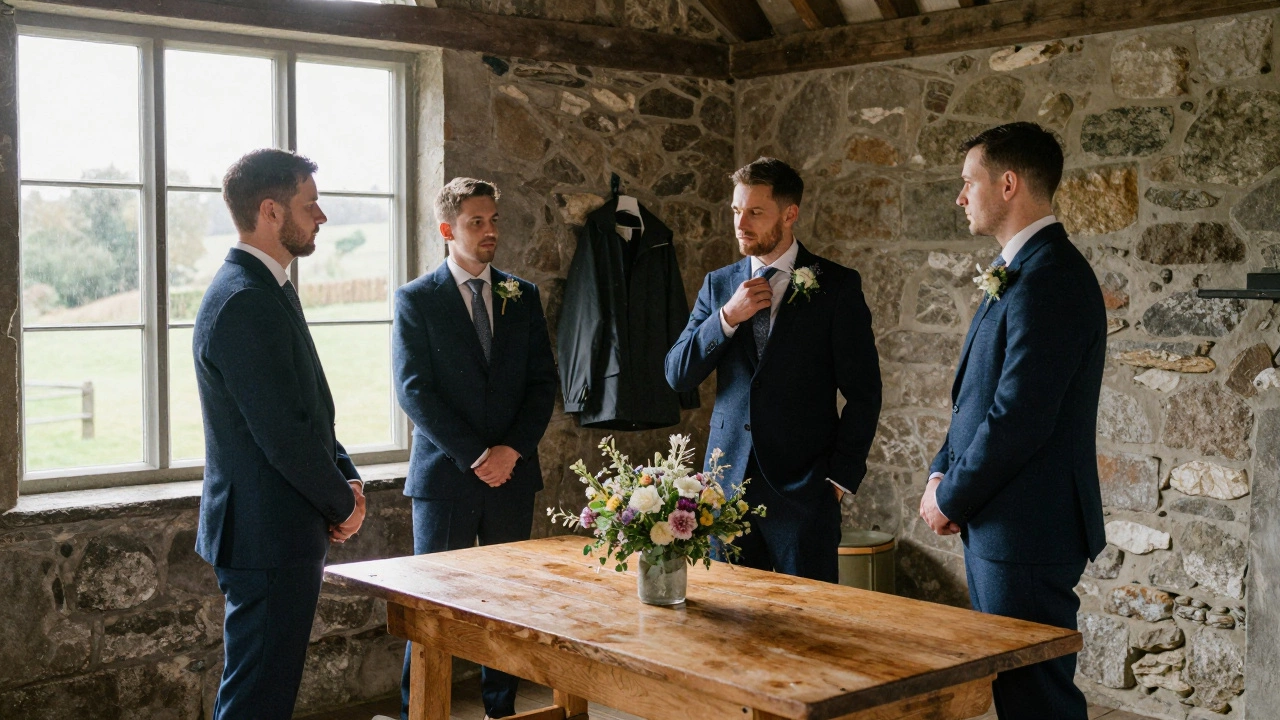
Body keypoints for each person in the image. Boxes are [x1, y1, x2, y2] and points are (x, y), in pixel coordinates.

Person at [920, 122, 1107, 720]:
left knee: (1035, 697)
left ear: (1007, 184)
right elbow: (974, 395)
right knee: (1016, 689)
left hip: (1029, 525)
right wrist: (940, 472)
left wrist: (954, 498)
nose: (960, 196)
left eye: (967, 182)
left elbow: (1019, 417)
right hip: (1006, 519)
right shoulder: (1021, 268)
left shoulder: (1050, 276)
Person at [194, 149, 366, 720]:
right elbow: (282, 434)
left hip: (277, 528)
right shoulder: (245, 299)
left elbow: (308, 407)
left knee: (265, 691)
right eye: (310, 205)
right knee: (256, 700)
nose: (321, 218)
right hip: (264, 534)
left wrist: (348, 477)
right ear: (270, 211)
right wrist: (344, 503)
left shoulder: (268, 287)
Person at [665, 157, 881, 582]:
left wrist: (839, 479)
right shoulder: (719, 286)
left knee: (807, 629)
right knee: (728, 628)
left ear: (789, 214)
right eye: (735, 210)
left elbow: (864, 393)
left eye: (754, 212)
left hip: (804, 495)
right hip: (724, 492)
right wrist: (726, 317)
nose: (740, 223)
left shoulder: (837, 287)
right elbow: (677, 374)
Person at [392, 177, 557, 720]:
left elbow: (541, 383)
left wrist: (510, 450)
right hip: (445, 479)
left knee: (508, 603)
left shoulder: (522, 295)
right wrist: (476, 455)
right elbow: (414, 391)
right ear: (447, 230)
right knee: (432, 606)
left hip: (512, 476)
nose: (490, 232)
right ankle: (421, 711)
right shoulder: (416, 299)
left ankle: (500, 712)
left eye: (494, 220)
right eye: (476, 222)